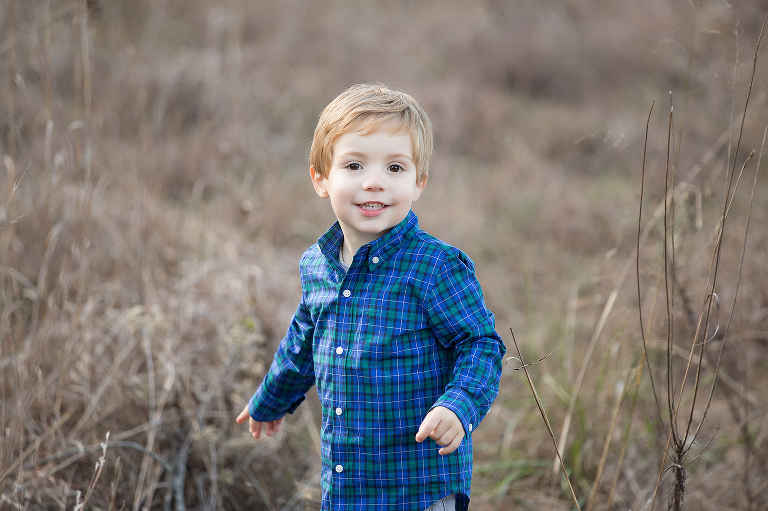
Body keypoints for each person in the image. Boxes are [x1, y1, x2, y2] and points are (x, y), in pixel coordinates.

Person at [236, 83, 506, 511]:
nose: (375, 183)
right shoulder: (317, 265)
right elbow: (303, 343)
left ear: (419, 183)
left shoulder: (435, 266)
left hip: (419, 486)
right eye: (355, 165)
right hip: (348, 488)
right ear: (321, 179)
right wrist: (270, 400)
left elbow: (480, 345)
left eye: (395, 169)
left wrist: (458, 406)